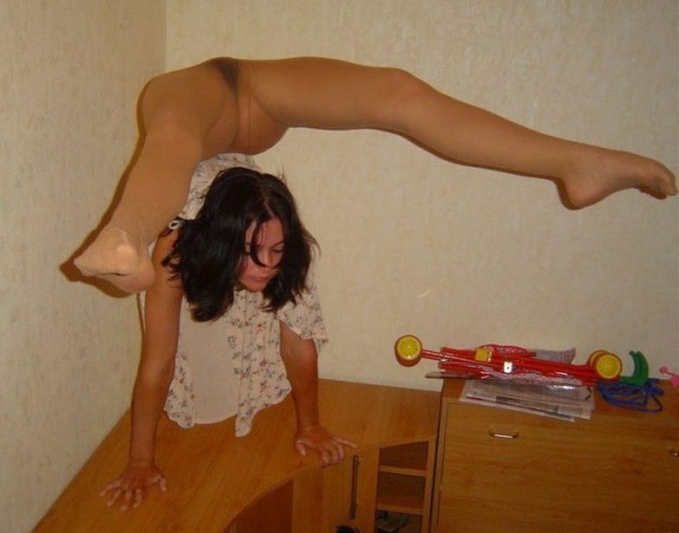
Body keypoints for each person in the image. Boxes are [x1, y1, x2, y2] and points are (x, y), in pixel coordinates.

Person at [73, 56, 677, 293]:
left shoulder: (200, 241)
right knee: (398, 94)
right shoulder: (208, 256)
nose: (265, 268)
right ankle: (577, 163)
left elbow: (174, 152)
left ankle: (125, 234)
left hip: (218, 92)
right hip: (247, 103)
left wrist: (136, 242)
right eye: (269, 262)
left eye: (264, 261)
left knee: (173, 138)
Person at [100, 157, 354, 511]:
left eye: (275, 251)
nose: (267, 266)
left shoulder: (288, 251)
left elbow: (298, 342)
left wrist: (310, 425)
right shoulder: (176, 245)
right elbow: (159, 361)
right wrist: (141, 462)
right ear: (221, 244)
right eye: (252, 253)